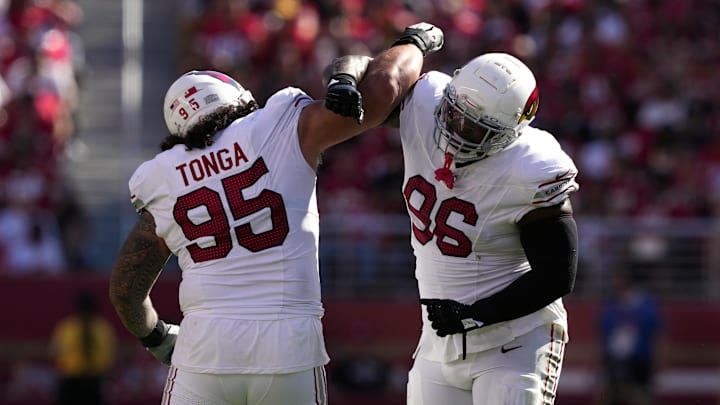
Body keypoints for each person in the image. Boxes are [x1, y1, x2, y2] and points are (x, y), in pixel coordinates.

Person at [107, 23, 444, 405]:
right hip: (287, 347)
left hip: (203, 352)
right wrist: (413, 42)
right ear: (236, 99)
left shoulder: (163, 176)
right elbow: (383, 88)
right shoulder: (278, 122)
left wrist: (157, 337)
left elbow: (125, 291)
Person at [326, 52, 580, 404]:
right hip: (439, 340)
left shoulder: (530, 168)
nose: (458, 130)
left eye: (476, 128)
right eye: (455, 115)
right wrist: (343, 78)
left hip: (514, 340)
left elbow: (557, 275)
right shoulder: (426, 105)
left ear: (511, 131)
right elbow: (368, 69)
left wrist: (475, 315)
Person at [599, 270, 662, 405]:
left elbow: (658, 335)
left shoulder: (646, 305)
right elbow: (602, 336)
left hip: (640, 361)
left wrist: (658, 362)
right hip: (614, 361)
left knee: (639, 397)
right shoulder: (610, 305)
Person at [50, 291, 117, 405]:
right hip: (76, 381)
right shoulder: (102, 329)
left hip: (89, 381)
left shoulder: (68, 328)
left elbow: (56, 354)